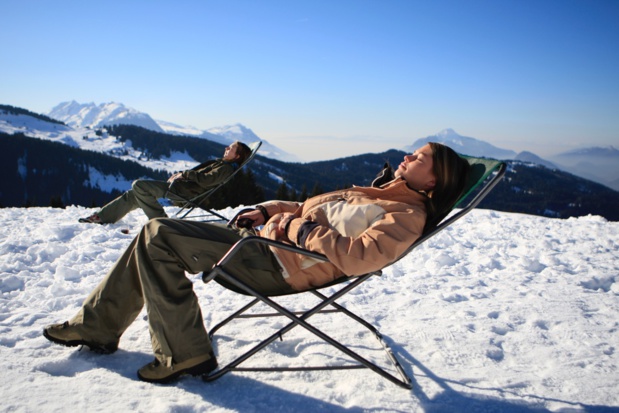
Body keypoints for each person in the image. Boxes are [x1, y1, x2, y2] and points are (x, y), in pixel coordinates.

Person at [43, 142, 470, 384]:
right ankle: (102, 327)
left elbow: (361, 258)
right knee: (156, 234)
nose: (407, 157)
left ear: (433, 180)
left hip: (282, 264)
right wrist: (268, 211)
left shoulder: (405, 215)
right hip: (266, 244)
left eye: (418, 158)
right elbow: (306, 206)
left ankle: (181, 353)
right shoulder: (379, 194)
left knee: (159, 235)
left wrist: (295, 230)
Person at [78, 141, 252, 224]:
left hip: (184, 193)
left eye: (230, 148)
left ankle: (160, 220)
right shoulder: (224, 164)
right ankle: (103, 216)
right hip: (182, 188)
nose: (226, 149)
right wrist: (183, 176)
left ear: (237, 156)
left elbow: (207, 180)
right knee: (134, 194)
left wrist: (184, 174)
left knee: (139, 185)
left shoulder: (226, 168)